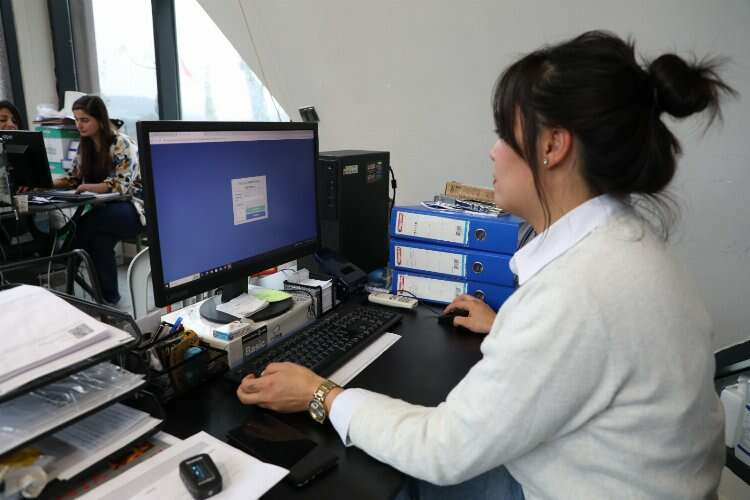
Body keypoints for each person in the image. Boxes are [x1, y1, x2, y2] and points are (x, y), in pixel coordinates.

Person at [235, 31, 736, 499]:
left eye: (503, 134)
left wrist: (320, 394)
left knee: (387, 483)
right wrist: (509, 327)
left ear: (552, 145)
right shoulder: (628, 245)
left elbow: (440, 450)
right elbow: (590, 354)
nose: (493, 151)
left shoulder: (578, 293)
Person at [56, 95, 144, 304]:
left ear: (100, 120)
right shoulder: (85, 146)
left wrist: (88, 187)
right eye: (77, 120)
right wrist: (42, 183)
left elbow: (122, 185)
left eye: (85, 120)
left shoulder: (121, 143)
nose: (79, 125)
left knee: (86, 224)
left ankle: (62, 263)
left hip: (134, 210)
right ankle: (108, 299)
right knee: (98, 240)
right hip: (106, 212)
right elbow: (73, 178)